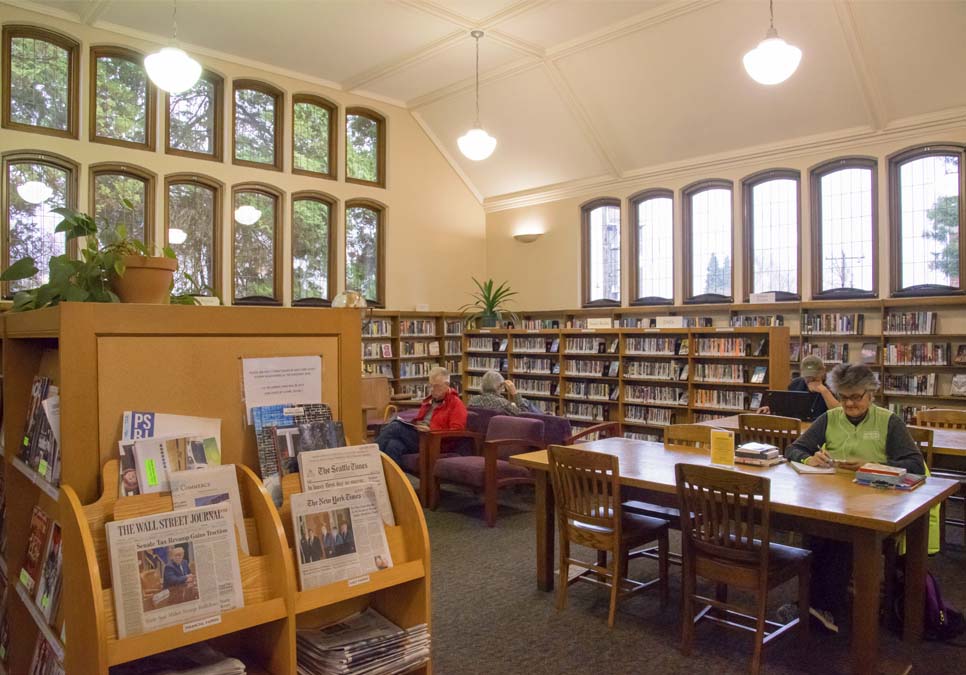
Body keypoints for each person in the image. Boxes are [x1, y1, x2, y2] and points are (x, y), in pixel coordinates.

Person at [779, 363, 928, 634]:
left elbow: (915, 465)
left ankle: (823, 607)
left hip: (876, 504)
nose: (849, 403)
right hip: (835, 498)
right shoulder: (831, 417)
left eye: (856, 397)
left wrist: (871, 464)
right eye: (844, 397)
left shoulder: (888, 421)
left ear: (870, 394)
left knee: (841, 538)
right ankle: (816, 604)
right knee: (816, 532)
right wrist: (809, 457)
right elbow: (794, 448)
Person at [375, 367, 467, 464]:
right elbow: (420, 419)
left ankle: (369, 461)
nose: (432, 389)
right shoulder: (429, 400)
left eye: (436, 386)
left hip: (433, 440)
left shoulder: (456, 404)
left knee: (395, 427)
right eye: (430, 386)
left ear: (447, 385)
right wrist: (413, 424)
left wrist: (431, 430)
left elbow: (457, 431)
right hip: (420, 436)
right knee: (393, 445)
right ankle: (391, 478)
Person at [758, 354, 840, 416]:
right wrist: (771, 410)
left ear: (823, 371)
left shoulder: (833, 385)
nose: (810, 379)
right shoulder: (796, 384)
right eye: (807, 376)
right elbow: (786, 408)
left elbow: (840, 414)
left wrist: (824, 391)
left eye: (814, 376)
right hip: (800, 428)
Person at [467, 370, 531, 415]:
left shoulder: (473, 400)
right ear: (499, 386)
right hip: (500, 433)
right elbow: (524, 415)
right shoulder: (503, 404)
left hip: (479, 432)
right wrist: (515, 393)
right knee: (527, 403)